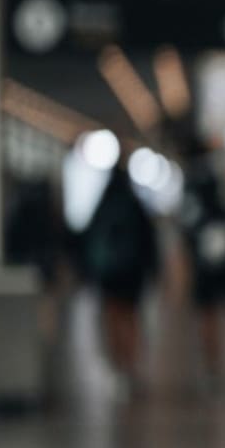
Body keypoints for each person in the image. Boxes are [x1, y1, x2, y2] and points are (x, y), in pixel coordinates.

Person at [83, 163, 159, 397]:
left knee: (113, 317)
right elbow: (149, 241)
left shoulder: (103, 205)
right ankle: (130, 366)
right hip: (133, 274)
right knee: (130, 318)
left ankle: (117, 366)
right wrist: (154, 270)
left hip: (109, 275)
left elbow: (88, 239)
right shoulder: (135, 205)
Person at [180, 155, 225, 384]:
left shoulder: (194, 194)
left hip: (206, 263)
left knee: (209, 312)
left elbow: (187, 229)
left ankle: (215, 361)